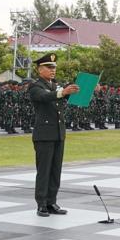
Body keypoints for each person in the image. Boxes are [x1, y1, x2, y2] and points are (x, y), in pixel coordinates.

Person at [27, 53, 79, 217]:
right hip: (44, 134)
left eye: (54, 68)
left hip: (58, 133)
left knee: (56, 170)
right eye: (49, 68)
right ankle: (41, 204)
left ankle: (51, 202)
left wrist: (79, 89)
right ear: (39, 69)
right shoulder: (35, 86)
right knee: (44, 171)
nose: (53, 70)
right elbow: (44, 97)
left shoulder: (55, 85)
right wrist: (62, 92)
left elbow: (64, 95)